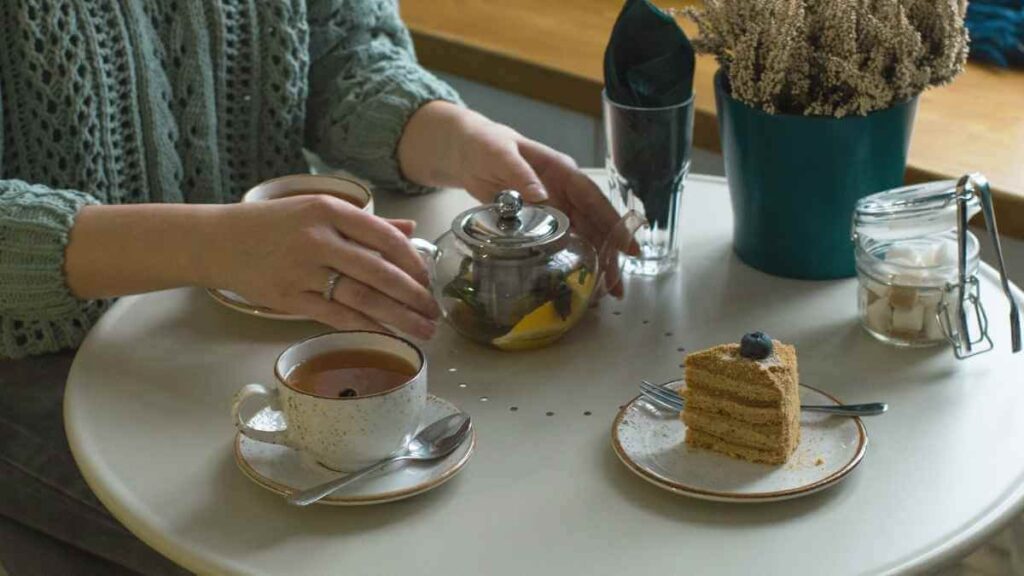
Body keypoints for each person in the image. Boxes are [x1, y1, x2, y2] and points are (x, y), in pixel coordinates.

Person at [0, 1, 620, 573]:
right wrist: (207, 246)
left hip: (266, 324)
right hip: (49, 364)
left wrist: (454, 137)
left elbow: (343, 54)